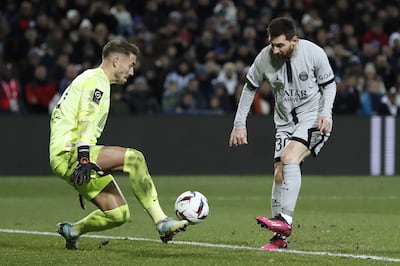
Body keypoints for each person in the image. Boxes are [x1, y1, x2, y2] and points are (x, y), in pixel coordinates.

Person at [49, 39, 188, 250]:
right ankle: (162, 222)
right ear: (115, 61)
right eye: (131, 65)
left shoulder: (88, 79)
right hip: (72, 153)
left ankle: (72, 230)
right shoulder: (97, 81)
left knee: (118, 214)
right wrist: (84, 158)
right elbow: (85, 120)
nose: (132, 72)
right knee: (134, 158)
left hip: (68, 155)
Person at [229, 17, 336, 250]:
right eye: (272, 45)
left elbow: (329, 85)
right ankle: (279, 239)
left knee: (289, 159)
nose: (274, 50)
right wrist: (239, 124)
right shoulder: (264, 58)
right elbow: (249, 89)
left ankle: (284, 221)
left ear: (294, 41)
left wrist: (325, 113)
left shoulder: (313, 53)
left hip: (313, 118)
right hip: (284, 123)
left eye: (280, 45)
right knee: (279, 173)